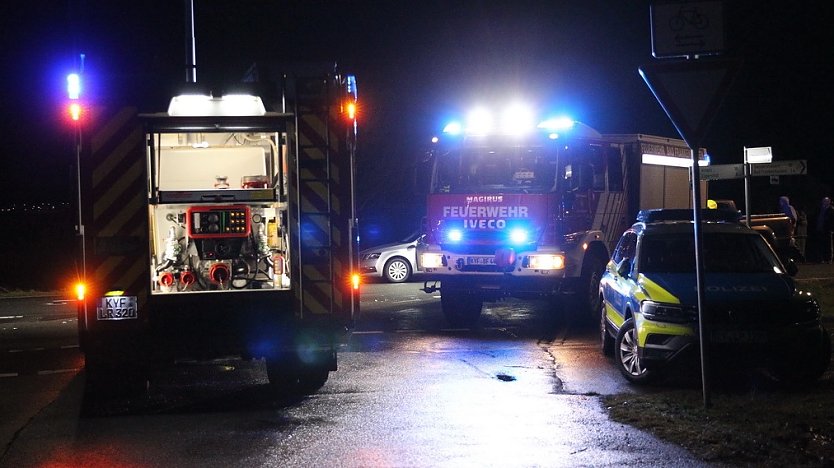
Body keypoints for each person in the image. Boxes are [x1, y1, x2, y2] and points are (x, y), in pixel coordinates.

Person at [815, 197, 834, 263]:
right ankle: (821, 258)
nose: (824, 203)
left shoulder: (831, 209)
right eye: (823, 201)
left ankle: (829, 259)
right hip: (820, 228)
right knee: (821, 244)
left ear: (829, 202)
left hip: (827, 229)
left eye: (825, 201)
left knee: (828, 245)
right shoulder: (820, 209)